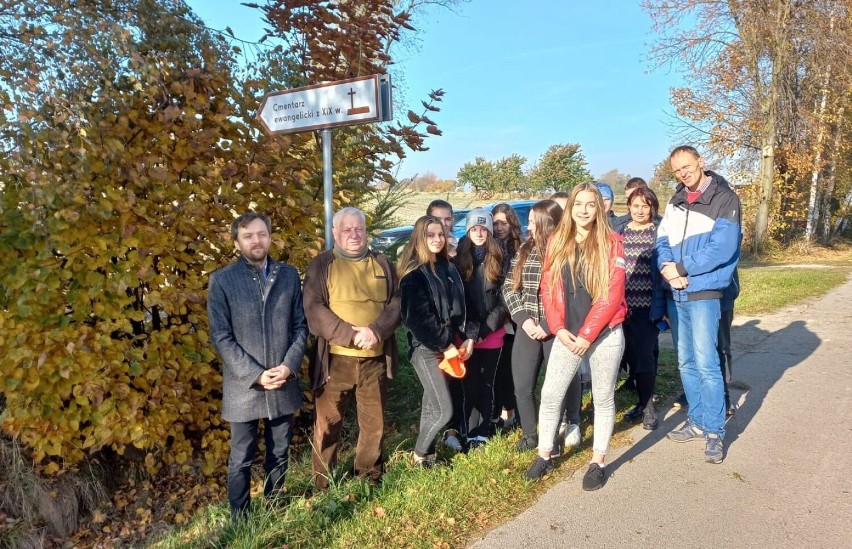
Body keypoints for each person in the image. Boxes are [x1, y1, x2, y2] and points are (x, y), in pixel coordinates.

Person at [524, 183, 626, 491]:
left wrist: (587, 335)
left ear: (600, 209)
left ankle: (598, 461)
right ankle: (545, 454)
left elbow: (612, 294)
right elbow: (547, 288)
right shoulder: (557, 241)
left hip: (605, 334)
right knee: (551, 394)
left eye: (590, 204)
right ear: (570, 208)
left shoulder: (613, 243)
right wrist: (558, 328)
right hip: (567, 335)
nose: (583, 210)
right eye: (578, 204)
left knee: (603, 398)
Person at [207, 212, 308, 520]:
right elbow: (221, 336)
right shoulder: (222, 280)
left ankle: (275, 506)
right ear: (237, 240)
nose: (257, 240)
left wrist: (289, 366)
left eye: (262, 234)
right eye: (249, 235)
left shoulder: (288, 275)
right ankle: (241, 518)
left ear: (270, 236)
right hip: (244, 385)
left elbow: (300, 326)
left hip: (282, 380)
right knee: (241, 456)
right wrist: (255, 374)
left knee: (279, 450)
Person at [303, 207, 401, 489]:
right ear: (334, 233)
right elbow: (314, 309)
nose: (354, 235)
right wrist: (350, 335)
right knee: (328, 424)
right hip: (335, 360)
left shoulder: (382, 262)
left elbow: (396, 302)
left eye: (359, 229)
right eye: (346, 230)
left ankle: (368, 477)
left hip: (375, 359)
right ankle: (323, 484)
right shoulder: (321, 265)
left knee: (374, 424)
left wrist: (376, 331)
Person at [657, 145, 741, 464]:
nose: (683, 173)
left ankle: (715, 431)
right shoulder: (676, 201)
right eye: (677, 170)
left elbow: (723, 249)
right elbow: (663, 240)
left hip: (704, 292)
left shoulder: (725, 199)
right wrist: (668, 269)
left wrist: (681, 268)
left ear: (700, 162)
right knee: (685, 362)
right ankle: (697, 420)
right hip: (677, 293)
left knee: (707, 362)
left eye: (687, 167)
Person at [503, 200, 583, 452]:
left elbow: (575, 296)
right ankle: (530, 435)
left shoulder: (569, 252)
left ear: (547, 224)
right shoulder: (525, 250)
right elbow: (508, 286)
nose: (528, 226)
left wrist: (549, 325)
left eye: (532, 221)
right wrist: (523, 319)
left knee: (557, 385)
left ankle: (561, 428)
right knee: (523, 385)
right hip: (527, 327)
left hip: (557, 331)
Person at [398, 215, 473, 467]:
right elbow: (417, 319)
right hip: (426, 349)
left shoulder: (448, 268)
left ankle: (428, 458)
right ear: (420, 237)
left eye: (440, 234)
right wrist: (446, 344)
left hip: (449, 345)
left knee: (431, 406)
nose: (437, 239)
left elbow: (460, 307)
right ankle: (418, 454)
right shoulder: (413, 275)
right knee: (444, 410)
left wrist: (463, 338)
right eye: (430, 235)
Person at [455, 208, 510, 448]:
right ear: (468, 231)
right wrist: (470, 332)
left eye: (483, 228)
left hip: (492, 331)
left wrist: (485, 329)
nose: (479, 233)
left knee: (487, 382)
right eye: (474, 228)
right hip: (467, 332)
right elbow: (458, 298)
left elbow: (505, 297)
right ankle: (470, 430)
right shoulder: (459, 257)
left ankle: (482, 433)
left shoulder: (500, 255)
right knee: (469, 384)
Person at [615, 187, 666, 430]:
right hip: (621, 308)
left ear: (652, 208)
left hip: (648, 308)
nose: (640, 210)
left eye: (645, 206)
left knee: (644, 356)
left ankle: (648, 409)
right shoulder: (619, 232)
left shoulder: (660, 232)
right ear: (629, 207)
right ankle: (641, 400)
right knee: (630, 357)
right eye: (636, 206)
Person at [491, 203, 523, 430]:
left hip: (516, 318)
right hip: (496, 317)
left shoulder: (520, 247)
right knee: (499, 370)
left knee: (515, 369)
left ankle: (514, 413)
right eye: (496, 223)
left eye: (504, 222)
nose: (500, 227)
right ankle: (504, 413)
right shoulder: (489, 247)